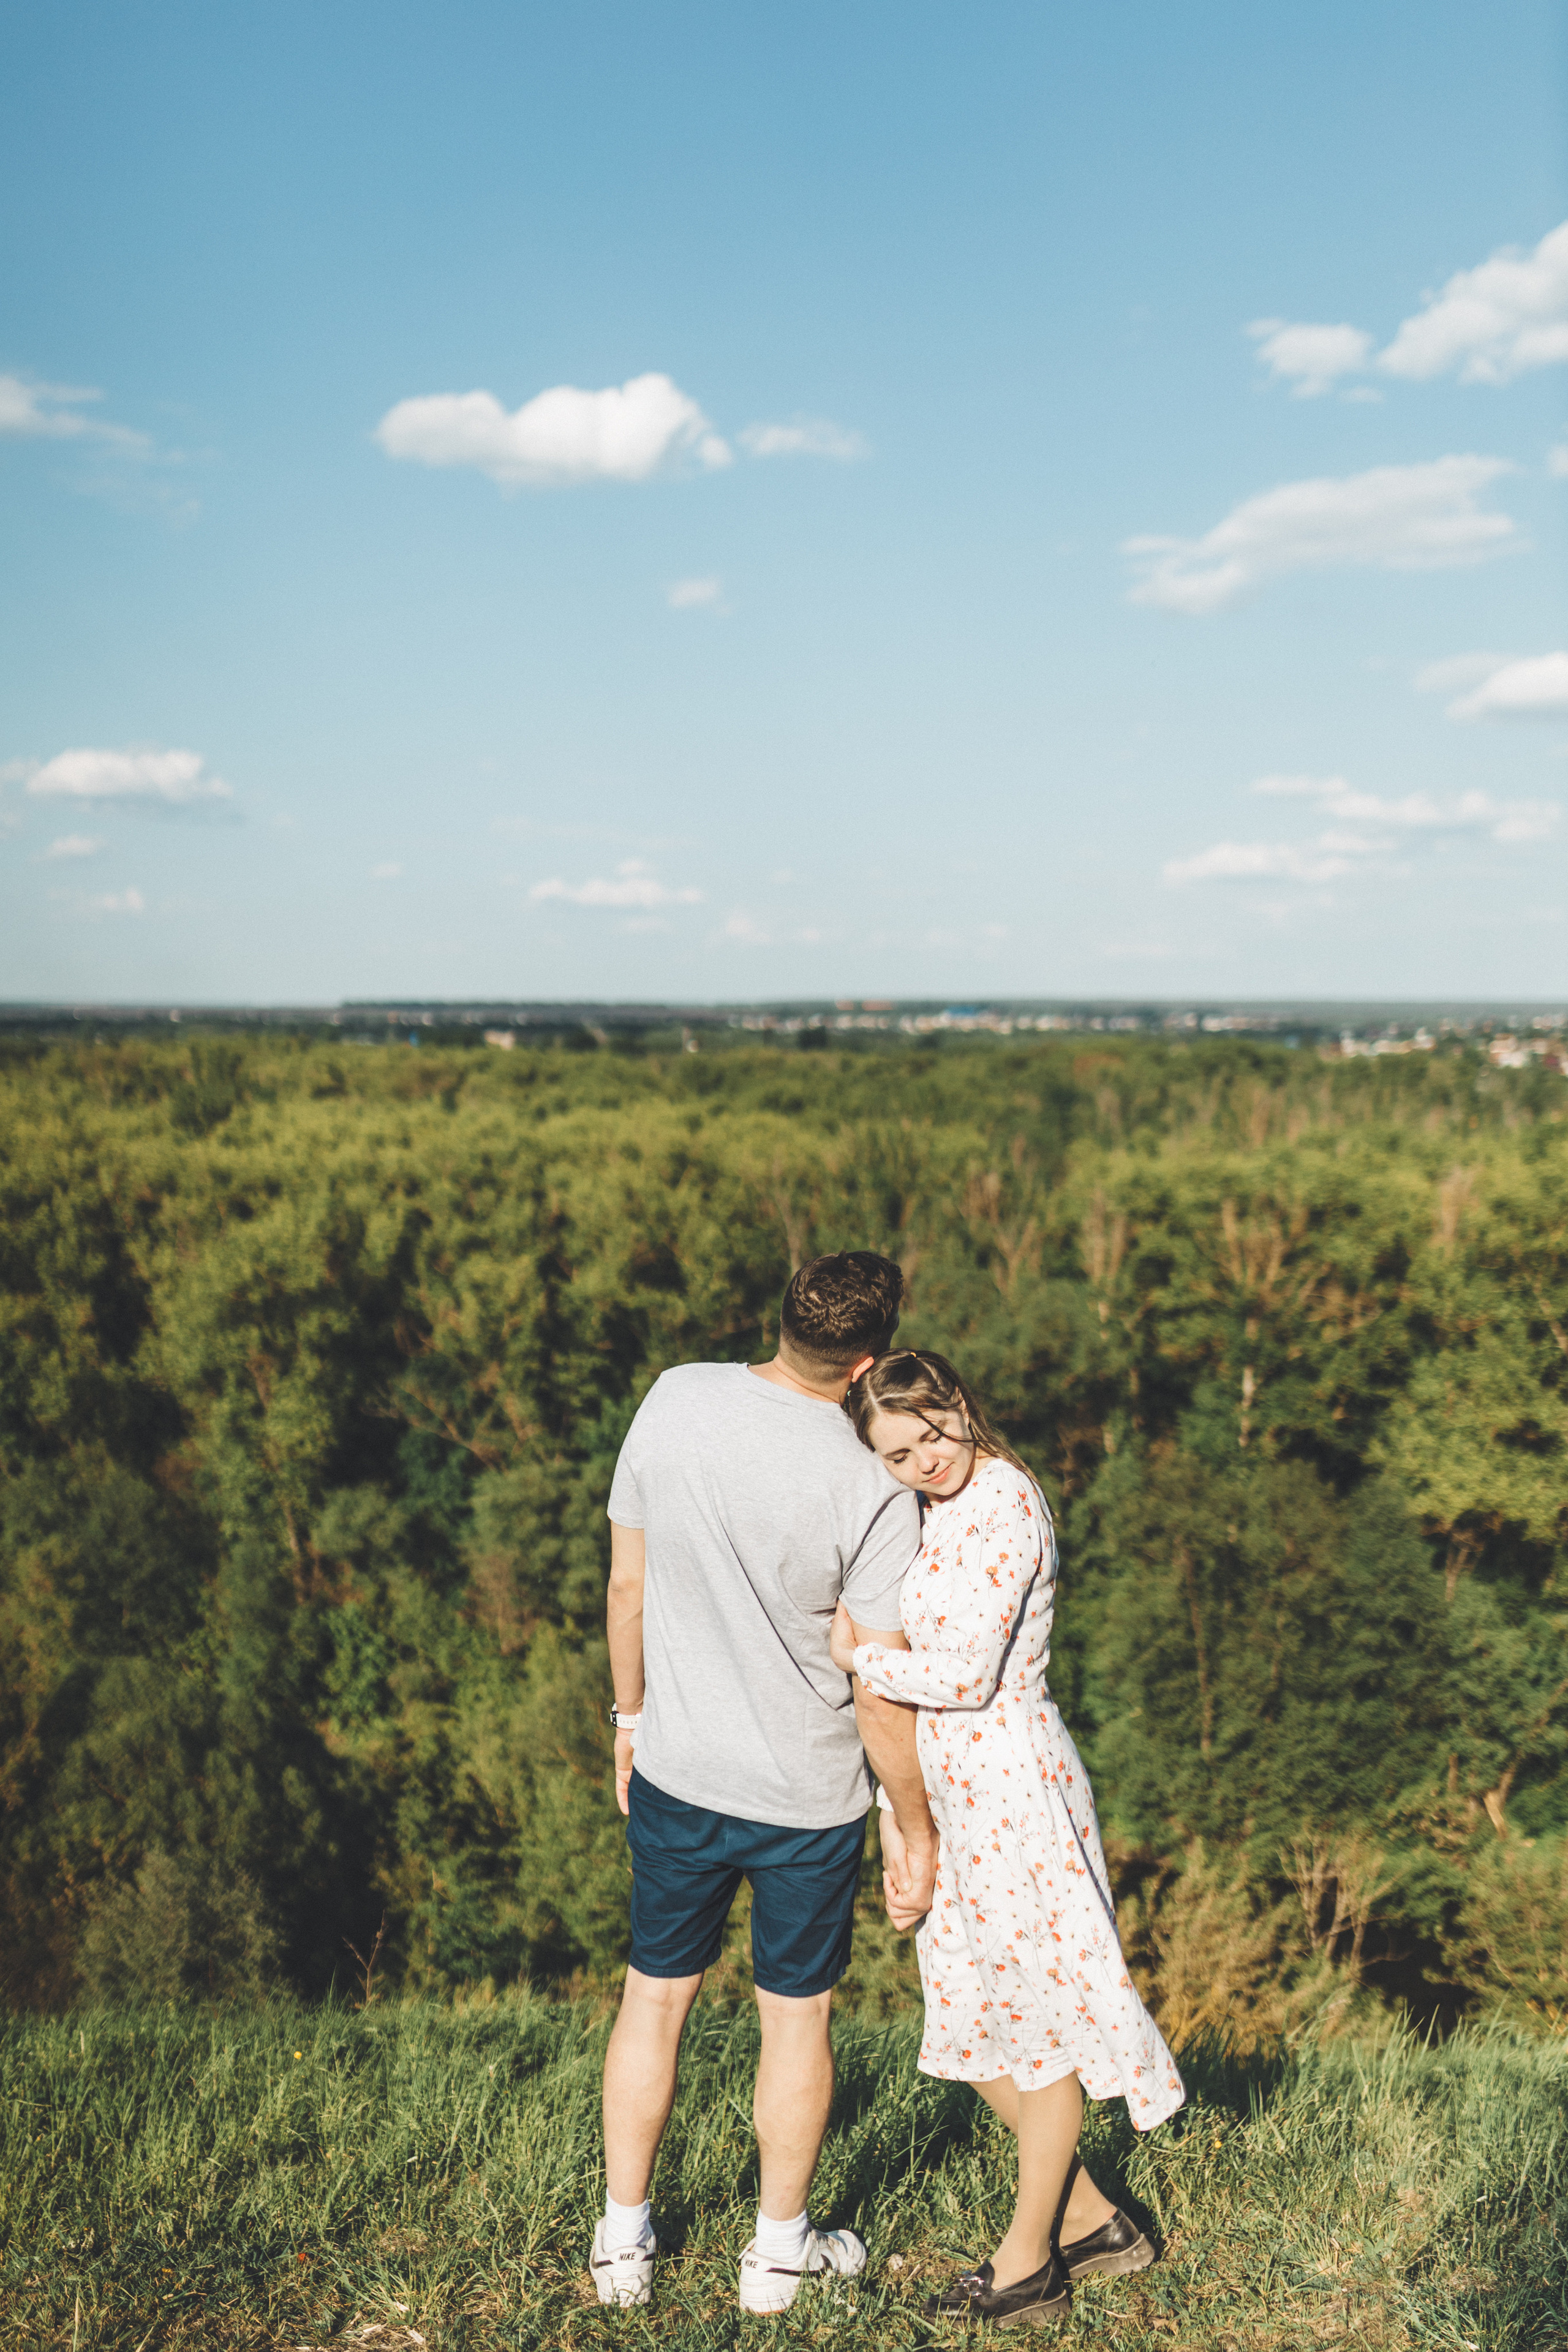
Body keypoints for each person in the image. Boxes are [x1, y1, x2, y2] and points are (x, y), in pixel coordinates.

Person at [592, 1251, 940, 2315]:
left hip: (681, 1772)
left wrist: (629, 1720)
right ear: (867, 1362)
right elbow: (879, 1683)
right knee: (797, 2021)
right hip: (809, 1801)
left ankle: (623, 2249)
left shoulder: (674, 1397)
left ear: (780, 1314)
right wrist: (909, 1822)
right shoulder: (877, 1476)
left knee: (655, 1999)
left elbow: (626, 1582)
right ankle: (779, 2259)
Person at [832, 1349, 1185, 2329]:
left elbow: (965, 1673)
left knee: (1040, 2024)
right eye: (895, 1455)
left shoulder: (1007, 1502)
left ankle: (1026, 2262)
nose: (919, 1463)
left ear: (958, 1405)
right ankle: (1092, 2220)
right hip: (951, 1785)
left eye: (929, 1436)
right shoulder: (937, 1509)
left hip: (1014, 1780)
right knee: (969, 2012)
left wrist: (858, 1655)